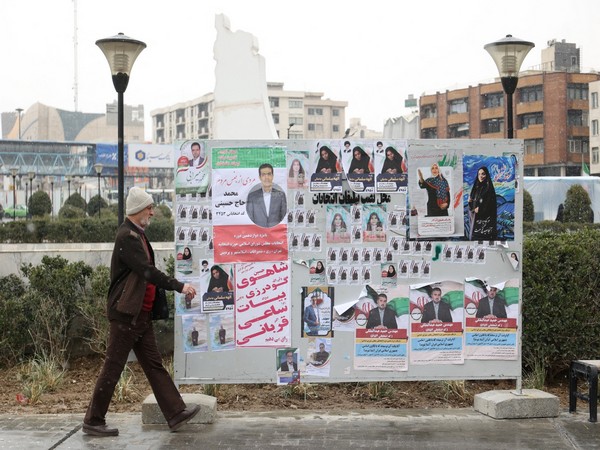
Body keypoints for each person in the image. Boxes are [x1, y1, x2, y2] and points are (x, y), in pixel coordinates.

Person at [83, 187, 200, 437]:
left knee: (154, 365)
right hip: (126, 315)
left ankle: (176, 412)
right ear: (138, 210)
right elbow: (148, 271)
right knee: (113, 367)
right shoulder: (127, 236)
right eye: (149, 207)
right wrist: (179, 286)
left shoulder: (138, 234)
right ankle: (93, 420)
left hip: (140, 316)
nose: (153, 212)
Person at [246, 163, 288, 228]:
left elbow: (284, 217)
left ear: (272, 176)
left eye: (269, 174)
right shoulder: (252, 197)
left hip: (276, 234)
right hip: (258, 233)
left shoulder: (281, 195)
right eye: (263, 175)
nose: (266, 177)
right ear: (260, 177)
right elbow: (249, 219)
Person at [468, 166, 497, 240]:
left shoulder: (488, 189)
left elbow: (491, 205)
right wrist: (470, 202)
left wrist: (480, 208)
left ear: (487, 175)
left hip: (486, 224)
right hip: (476, 223)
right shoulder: (476, 188)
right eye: (479, 174)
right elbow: (472, 207)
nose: (480, 176)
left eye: (483, 174)